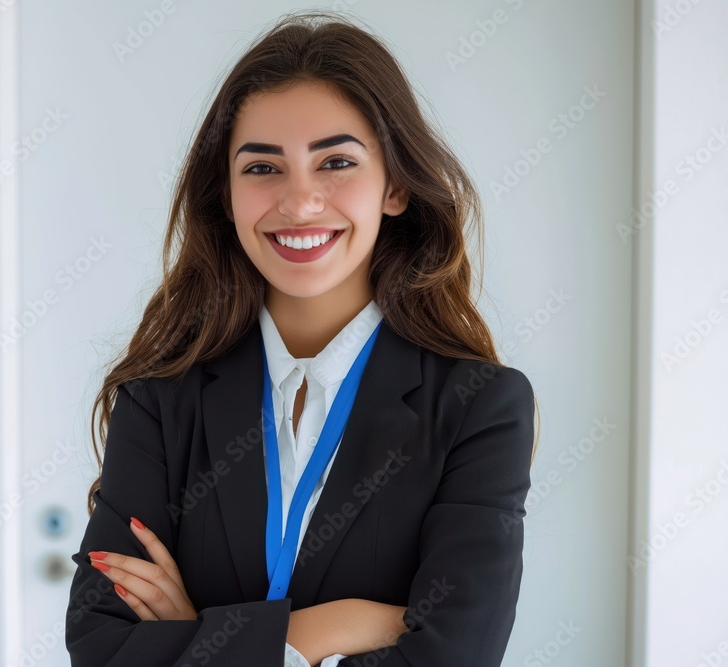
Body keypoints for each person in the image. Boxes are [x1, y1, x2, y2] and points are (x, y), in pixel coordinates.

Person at [65, 10, 541, 666]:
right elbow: (101, 648)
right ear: (226, 196)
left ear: (396, 186)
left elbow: (455, 655)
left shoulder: (479, 407)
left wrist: (199, 636)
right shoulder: (159, 399)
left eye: (336, 162)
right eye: (263, 168)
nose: (299, 201)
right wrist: (339, 626)